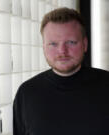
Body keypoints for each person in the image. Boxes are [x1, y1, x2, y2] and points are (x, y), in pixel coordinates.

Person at [13, 7, 109, 135]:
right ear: (43, 47)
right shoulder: (27, 93)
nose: (62, 51)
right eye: (53, 44)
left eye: (71, 42)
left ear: (85, 44)